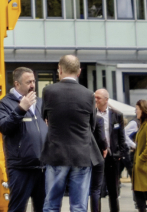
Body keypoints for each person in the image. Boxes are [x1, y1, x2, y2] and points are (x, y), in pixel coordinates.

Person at [40, 55, 104, 212]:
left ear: (60, 70)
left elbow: (44, 117)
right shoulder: (89, 94)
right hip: (81, 155)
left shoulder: (48, 91)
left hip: (55, 154)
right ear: (79, 71)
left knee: (51, 205)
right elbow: (92, 125)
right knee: (78, 207)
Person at [0, 66, 46, 212]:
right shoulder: (5, 104)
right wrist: (20, 109)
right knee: (17, 208)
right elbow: (4, 127)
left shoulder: (40, 103)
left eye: (33, 81)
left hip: (42, 167)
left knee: (44, 208)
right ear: (17, 84)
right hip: (20, 168)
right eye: (28, 82)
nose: (32, 85)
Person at [90, 89, 129, 212]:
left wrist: (120, 154)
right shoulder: (91, 114)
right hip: (96, 155)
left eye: (98, 98)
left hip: (113, 156)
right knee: (96, 189)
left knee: (113, 189)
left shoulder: (116, 115)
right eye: (94, 97)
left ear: (106, 100)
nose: (95, 100)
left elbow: (121, 136)